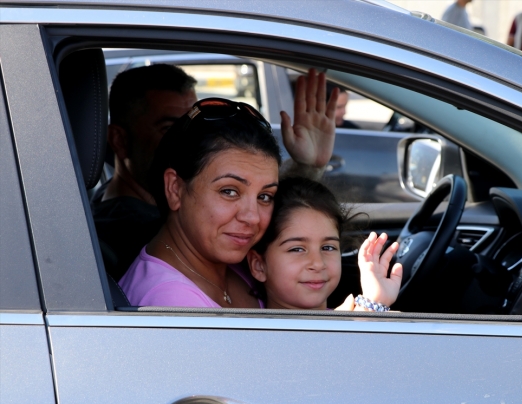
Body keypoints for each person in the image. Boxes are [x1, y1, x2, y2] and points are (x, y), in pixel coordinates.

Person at [94, 65, 339, 279]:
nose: (191, 140)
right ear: (119, 140)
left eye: (194, 126)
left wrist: (307, 165)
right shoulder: (134, 232)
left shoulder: (106, 199)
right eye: (169, 128)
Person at [247, 177, 402, 311]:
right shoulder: (256, 336)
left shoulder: (349, 316)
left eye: (328, 247)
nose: (318, 263)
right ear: (259, 265)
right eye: (297, 249)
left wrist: (375, 302)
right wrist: (369, 308)